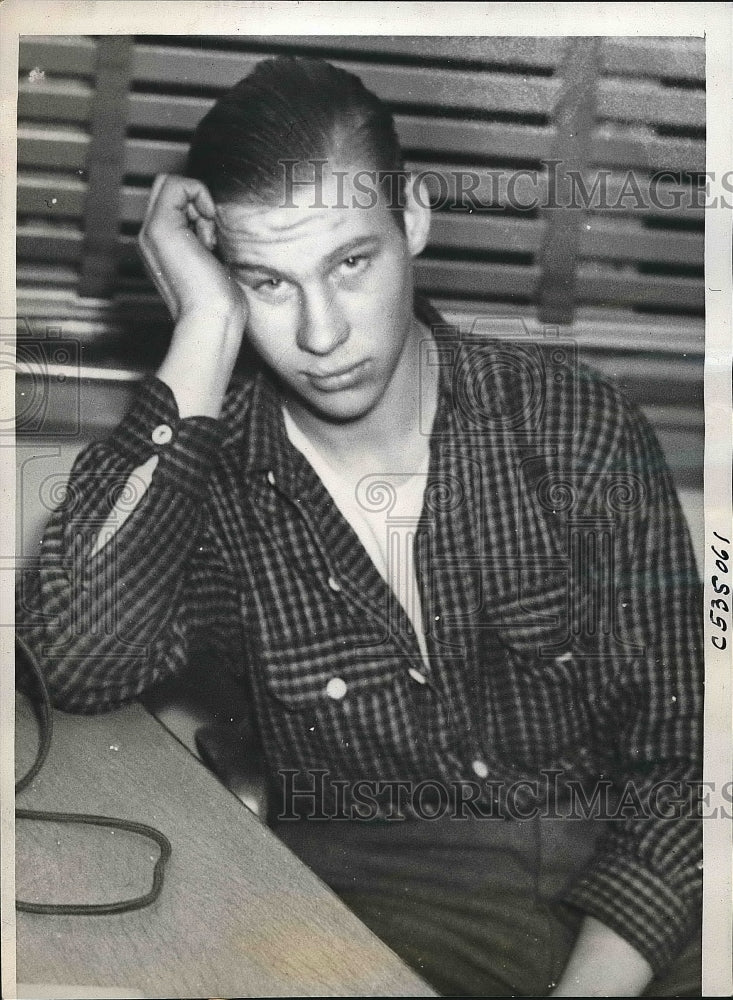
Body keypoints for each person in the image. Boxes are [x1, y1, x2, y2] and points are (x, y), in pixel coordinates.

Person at [17, 56, 703, 997]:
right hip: (381, 912)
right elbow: (72, 665)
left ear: (413, 217)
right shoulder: (210, 479)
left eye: (349, 263)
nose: (322, 335)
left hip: (637, 905)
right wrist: (205, 330)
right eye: (265, 280)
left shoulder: (573, 425)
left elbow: (680, 762)